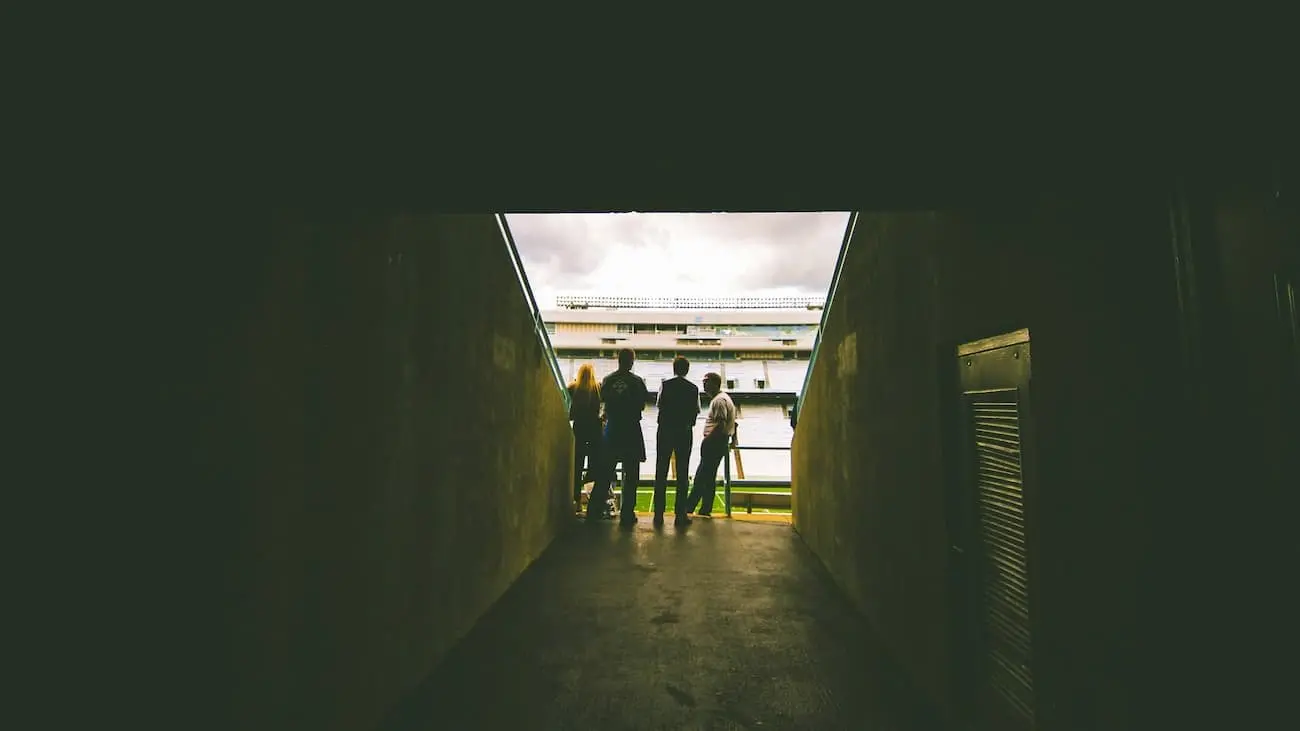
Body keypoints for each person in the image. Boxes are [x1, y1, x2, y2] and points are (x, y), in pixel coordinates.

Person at [588, 348, 648, 527]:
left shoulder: (607, 380)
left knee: (604, 474)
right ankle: (627, 513)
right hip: (630, 430)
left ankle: (594, 511)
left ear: (618, 360)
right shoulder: (637, 382)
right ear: (631, 361)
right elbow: (642, 405)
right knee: (631, 475)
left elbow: (604, 401)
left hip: (612, 430)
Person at [653, 355, 700, 526]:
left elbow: (659, 405)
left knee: (661, 471)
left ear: (674, 369)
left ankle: (658, 514)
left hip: (665, 431)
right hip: (684, 432)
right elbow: (696, 411)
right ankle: (680, 514)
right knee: (682, 473)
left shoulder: (665, 385)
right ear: (687, 370)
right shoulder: (693, 388)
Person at [683, 372, 737, 519]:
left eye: (706, 382)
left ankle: (688, 507)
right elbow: (734, 424)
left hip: (714, 442)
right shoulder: (724, 398)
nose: (704, 385)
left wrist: (708, 440)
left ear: (715, 383)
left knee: (701, 477)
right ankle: (705, 509)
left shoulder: (719, 401)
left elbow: (721, 424)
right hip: (719, 442)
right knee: (708, 477)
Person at [567, 363, 602, 514]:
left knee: (577, 465)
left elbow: (570, 414)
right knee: (594, 467)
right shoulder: (598, 389)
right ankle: (593, 502)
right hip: (594, 430)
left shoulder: (572, 389)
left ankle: (576, 500)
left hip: (579, 430)